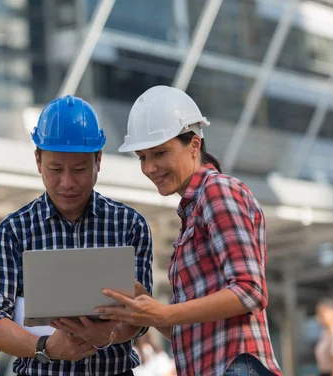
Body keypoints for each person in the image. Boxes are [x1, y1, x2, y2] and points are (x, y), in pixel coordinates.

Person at [95, 85, 282, 376]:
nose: (150, 167)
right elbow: (194, 329)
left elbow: (249, 290)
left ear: (194, 145)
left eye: (160, 153)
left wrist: (165, 312)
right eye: (143, 157)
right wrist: (144, 303)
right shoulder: (193, 211)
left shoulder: (217, 191)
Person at [0, 95, 154, 376]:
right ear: (38, 161)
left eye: (79, 169)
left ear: (99, 161)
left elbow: (142, 314)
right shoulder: (14, 231)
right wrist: (45, 346)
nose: (67, 182)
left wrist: (108, 336)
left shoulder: (129, 225)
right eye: (56, 169)